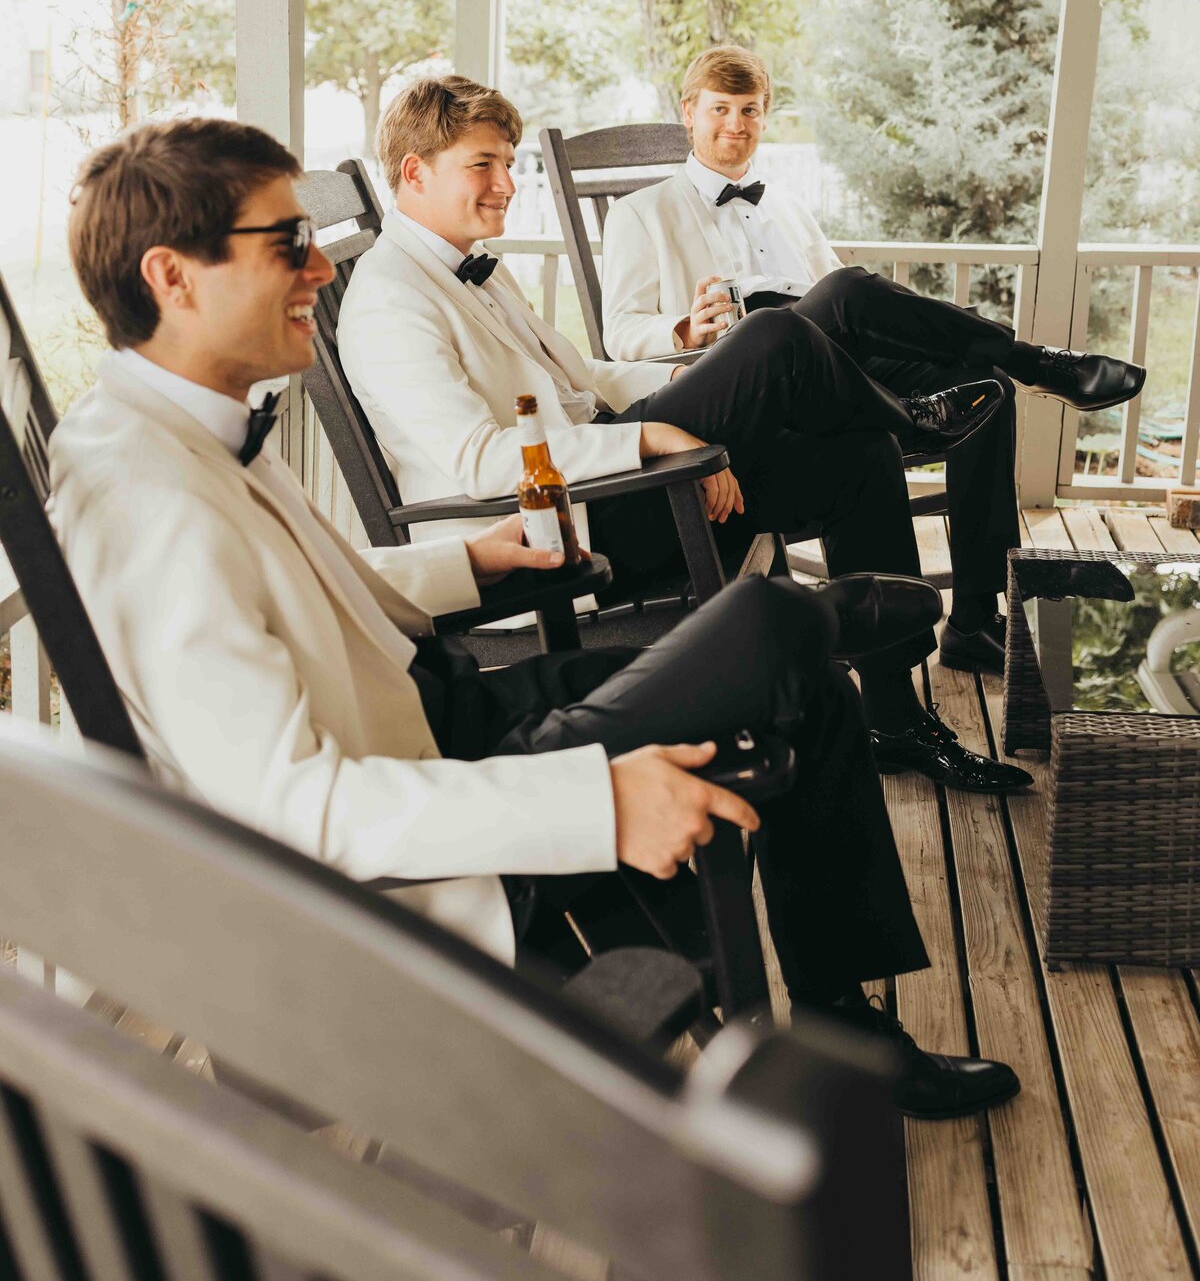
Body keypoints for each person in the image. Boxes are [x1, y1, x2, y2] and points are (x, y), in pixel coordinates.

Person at [50, 115, 1019, 1121]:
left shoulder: (182, 423)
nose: (318, 275)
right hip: (434, 806)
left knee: (789, 661)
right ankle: (813, 626)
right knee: (774, 633)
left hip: (442, 713)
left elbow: (307, 583)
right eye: (286, 244)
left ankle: (845, 1021)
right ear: (173, 275)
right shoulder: (144, 497)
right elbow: (297, 807)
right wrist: (597, 803)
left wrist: (467, 559)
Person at [337, 75, 1031, 795]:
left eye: (509, 162)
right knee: (774, 336)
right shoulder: (391, 298)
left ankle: (894, 715)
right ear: (413, 171)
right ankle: (917, 413)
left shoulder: (472, 266)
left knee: (858, 457)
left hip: (613, 481)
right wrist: (655, 442)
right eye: (483, 163)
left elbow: (586, 383)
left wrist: (676, 406)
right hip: (560, 528)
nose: (508, 183)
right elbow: (481, 461)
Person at [602, 45, 1146, 685]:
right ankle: (1040, 363)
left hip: (826, 370)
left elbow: (848, 314)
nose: (735, 125)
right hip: (743, 382)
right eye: (720, 109)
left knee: (984, 387)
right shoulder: (643, 212)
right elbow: (618, 334)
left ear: (765, 116)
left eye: (750, 110)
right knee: (848, 289)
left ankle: (974, 615)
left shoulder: (786, 207)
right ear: (689, 112)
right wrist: (683, 326)